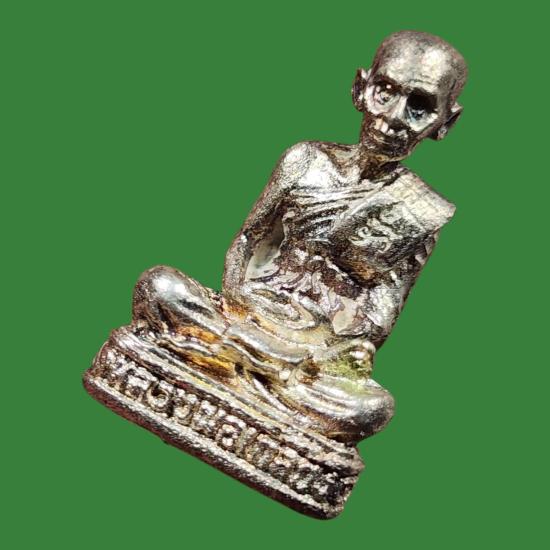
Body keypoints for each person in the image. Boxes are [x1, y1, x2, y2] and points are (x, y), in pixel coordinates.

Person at [132, 31, 467, 443]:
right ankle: (252, 371)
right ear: (360, 89)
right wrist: (241, 303)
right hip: (249, 313)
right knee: (159, 285)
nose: (395, 117)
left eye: (419, 106)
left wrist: (319, 343)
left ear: (444, 123)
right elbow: (248, 240)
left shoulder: (419, 211)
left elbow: (381, 315)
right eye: (385, 92)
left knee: (371, 408)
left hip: (312, 354)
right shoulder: (306, 159)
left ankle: (230, 364)